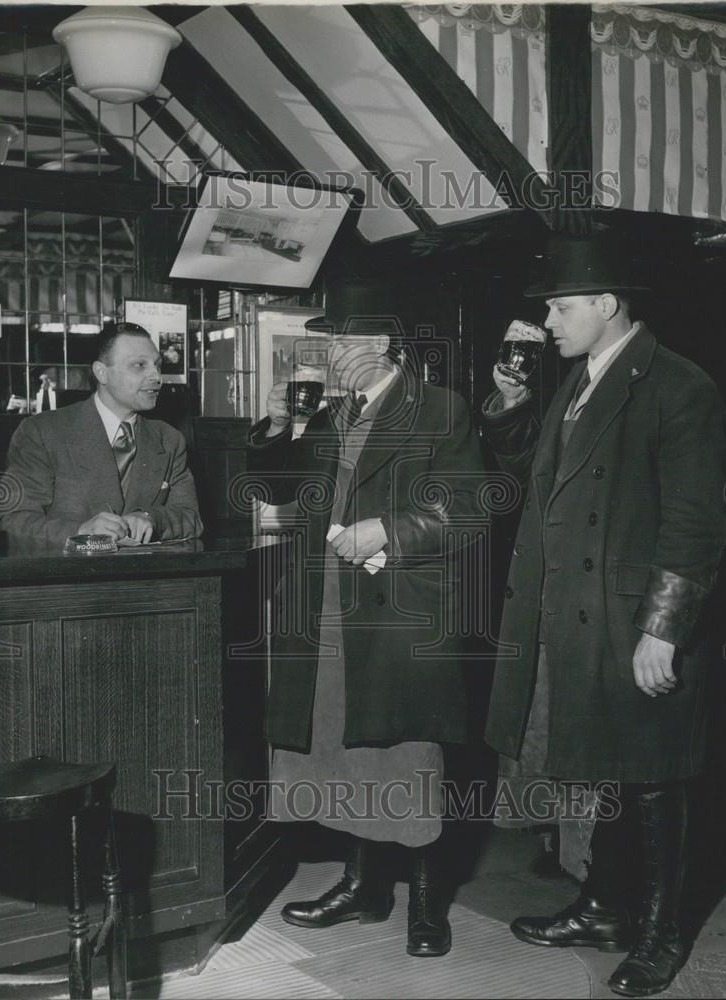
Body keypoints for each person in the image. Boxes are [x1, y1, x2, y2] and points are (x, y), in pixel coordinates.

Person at [481, 236, 726, 997]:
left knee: (652, 780)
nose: (547, 323)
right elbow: (540, 484)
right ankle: (601, 907)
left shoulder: (679, 386)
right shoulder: (578, 382)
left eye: (560, 308)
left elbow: (695, 523)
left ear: (607, 304)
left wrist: (663, 628)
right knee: (609, 766)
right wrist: (513, 406)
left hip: (633, 623)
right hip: (574, 615)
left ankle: (660, 935)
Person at [247, 282, 485, 958]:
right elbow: (278, 489)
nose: (331, 355)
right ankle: (363, 887)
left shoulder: (440, 408)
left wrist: (389, 529)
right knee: (348, 753)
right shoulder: (330, 415)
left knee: (408, 757)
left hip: (399, 612)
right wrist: (276, 429)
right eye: (328, 343)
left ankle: (428, 905)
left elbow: (469, 507)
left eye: (342, 341)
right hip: (327, 607)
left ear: (380, 342)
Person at [0, 322, 202, 548]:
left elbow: (190, 517)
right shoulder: (42, 433)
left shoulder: (169, 439)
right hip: (68, 570)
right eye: (139, 365)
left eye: (157, 365)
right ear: (101, 373)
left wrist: (151, 518)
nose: (156, 377)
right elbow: (11, 520)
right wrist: (80, 532)